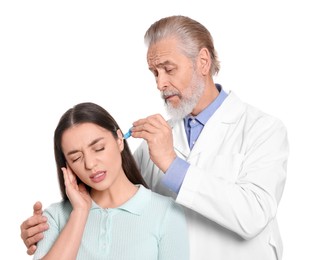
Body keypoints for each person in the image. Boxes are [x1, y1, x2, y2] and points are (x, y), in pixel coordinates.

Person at [20, 15, 288, 260]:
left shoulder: (262, 129)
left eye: (169, 70)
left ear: (203, 62)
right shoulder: (154, 144)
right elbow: (122, 202)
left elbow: (254, 214)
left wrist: (172, 164)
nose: (160, 84)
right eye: (154, 73)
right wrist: (52, 228)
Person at [28, 102, 189, 260]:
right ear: (67, 166)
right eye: (76, 158)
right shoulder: (55, 217)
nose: (90, 164)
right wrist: (80, 212)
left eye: (98, 148)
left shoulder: (166, 213)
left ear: (119, 140)